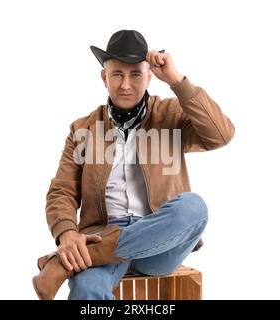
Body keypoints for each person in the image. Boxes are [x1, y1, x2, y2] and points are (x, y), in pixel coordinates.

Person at [32, 29, 235, 300]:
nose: (125, 84)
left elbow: (220, 135)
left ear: (149, 76)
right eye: (117, 74)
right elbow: (62, 191)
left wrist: (176, 81)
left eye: (135, 74)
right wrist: (68, 235)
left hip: (158, 240)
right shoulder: (82, 129)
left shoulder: (171, 114)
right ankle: (91, 254)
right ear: (105, 77)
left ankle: (65, 263)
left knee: (193, 207)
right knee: (86, 289)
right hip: (101, 231)